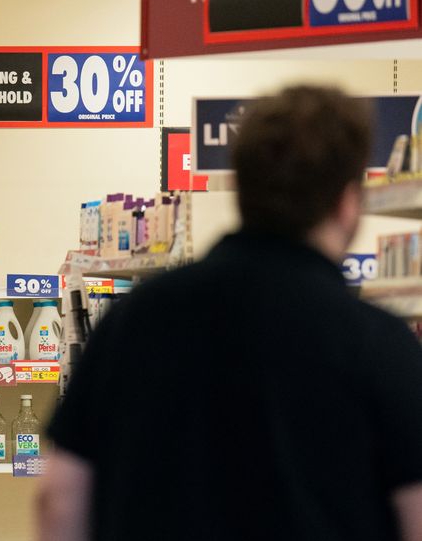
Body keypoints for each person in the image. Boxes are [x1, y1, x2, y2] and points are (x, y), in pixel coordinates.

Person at [38, 85, 422, 541]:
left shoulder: (133, 322)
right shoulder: (379, 345)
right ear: (347, 201)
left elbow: (59, 499)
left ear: (243, 189)